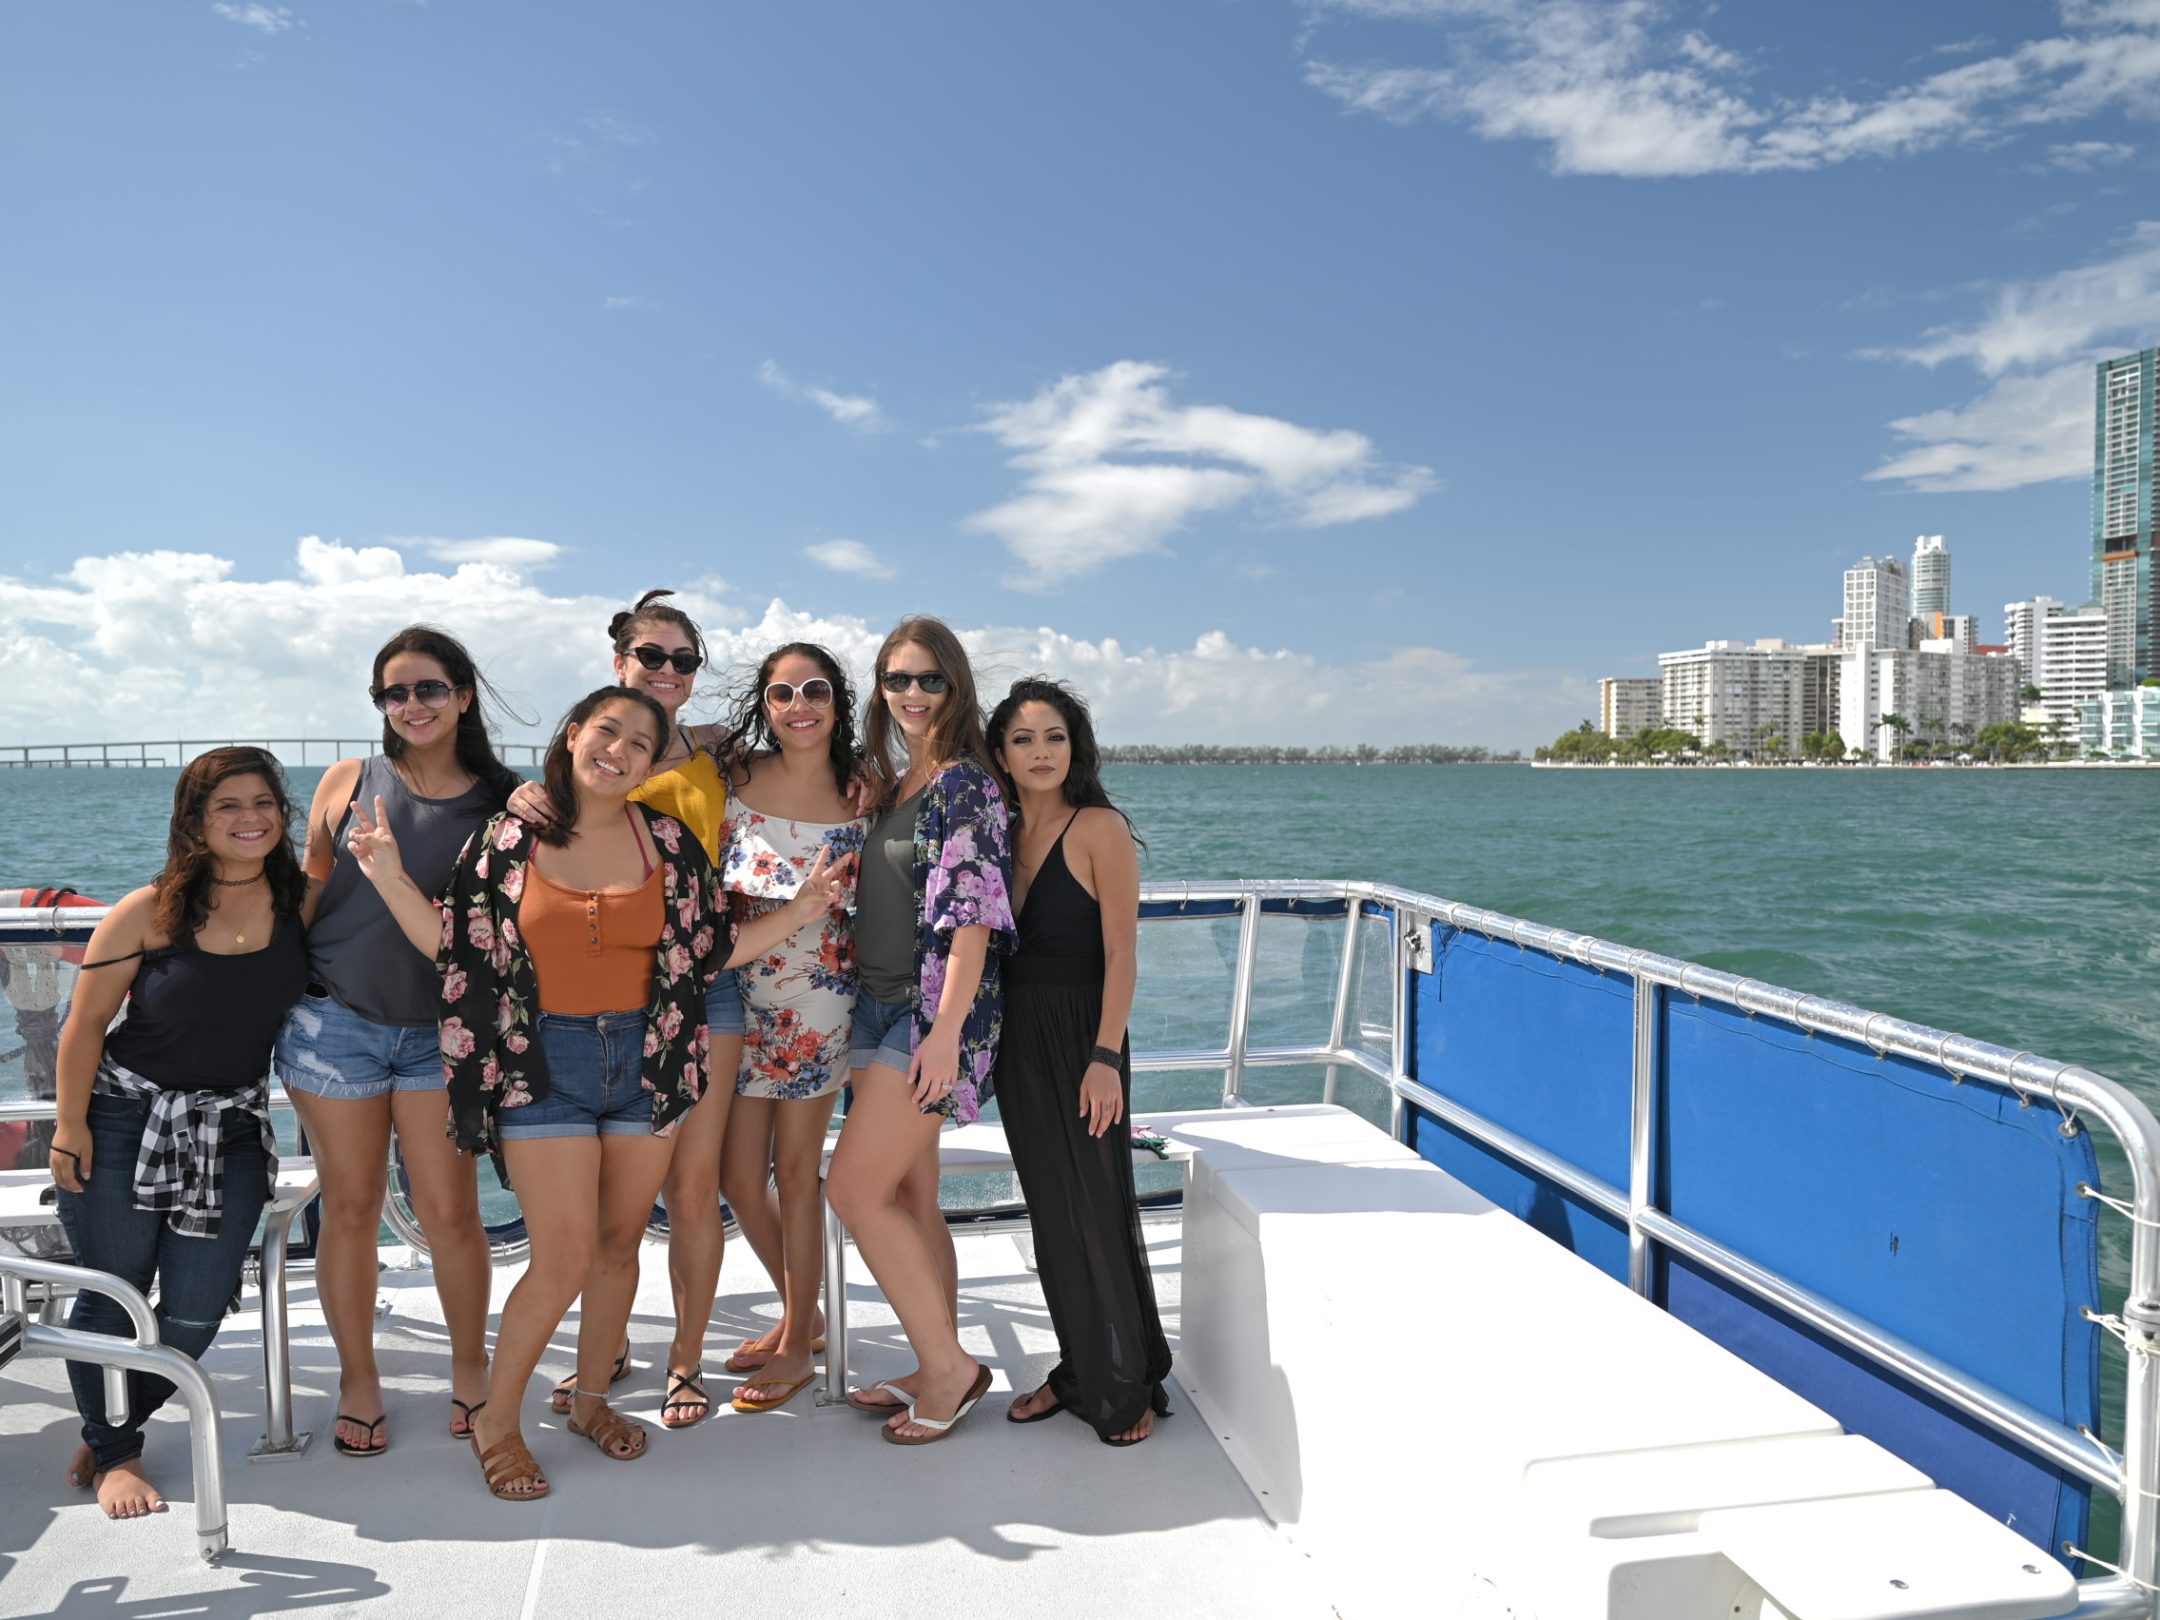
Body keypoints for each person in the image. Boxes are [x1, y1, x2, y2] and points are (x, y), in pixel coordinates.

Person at [352, 685, 844, 1500]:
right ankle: (497, 1423)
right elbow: (455, 946)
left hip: (645, 1064)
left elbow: (711, 952)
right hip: (543, 1065)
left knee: (620, 1246)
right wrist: (387, 875)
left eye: (639, 745)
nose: (618, 751)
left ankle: (588, 1401)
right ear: (573, 734)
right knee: (564, 1254)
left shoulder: (669, 843)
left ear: (652, 764)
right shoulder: (510, 839)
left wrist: (803, 909)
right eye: (605, 732)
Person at [505, 589, 753, 1427]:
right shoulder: (595, 748)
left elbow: (810, 765)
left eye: (685, 661)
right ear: (620, 662)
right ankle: (602, 1352)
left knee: (692, 1187)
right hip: (597, 999)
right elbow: (532, 826)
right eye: (653, 656)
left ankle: (685, 1361)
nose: (668, 672)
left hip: (700, 981)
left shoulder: (716, 753)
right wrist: (513, 800)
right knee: (595, 1215)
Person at [274, 626, 521, 1458]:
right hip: (333, 1022)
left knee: (451, 1213)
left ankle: (470, 1367)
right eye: (394, 693)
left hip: (439, 1035)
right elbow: (307, 895)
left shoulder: (502, 802)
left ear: (463, 695)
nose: (411, 705)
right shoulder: (347, 781)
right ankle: (359, 1380)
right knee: (348, 1209)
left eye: (428, 688)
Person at [49, 749, 309, 1519]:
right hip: (125, 1119)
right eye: (228, 805)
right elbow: (85, 1025)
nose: (250, 818)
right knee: (113, 1292)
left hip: (228, 1128)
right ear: (194, 821)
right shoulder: (149, 911)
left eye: (264, 802)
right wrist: (69, 1127)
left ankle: (111, 1423)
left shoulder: (302, 905)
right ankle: (118, 1455)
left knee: (197, 1307)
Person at [826, 616, 1015, 1445]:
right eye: (896, 679)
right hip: (872, 1004)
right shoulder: (900, 786)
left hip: (925, 1013)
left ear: (956, 687)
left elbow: (971, 920)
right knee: (909, 1195)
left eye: (928, 680)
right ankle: (938, 1352)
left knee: (852, 1190)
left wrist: (945, 1035)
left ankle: (949, 1371)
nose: (910, 694)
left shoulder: (966, 785)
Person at [988, 679, 1172, 1445]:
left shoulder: (1098, 827)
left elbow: (1124, 954)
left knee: (1097, 1202)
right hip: (1016, 1037)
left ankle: (1125, 1376)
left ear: (1076, 747)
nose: (1040, 752)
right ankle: (1078, 1367)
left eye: (1054, 736)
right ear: (1001, 752)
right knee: (1050, 1208)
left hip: (1085, 1036)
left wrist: (1105, 1056)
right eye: (1024, 739)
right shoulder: (992, 832)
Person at [714, 644, 867, 1414]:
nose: (799, 705)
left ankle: (799, 1342)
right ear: (765, 705)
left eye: (814, 690)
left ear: (838, 700)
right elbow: (648, 738)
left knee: (796, 1173)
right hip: (737, 988)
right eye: (782, 693)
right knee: (738, 1176)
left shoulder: (865, 791)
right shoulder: (734, 775)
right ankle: (799, 1317)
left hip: (819, 998)